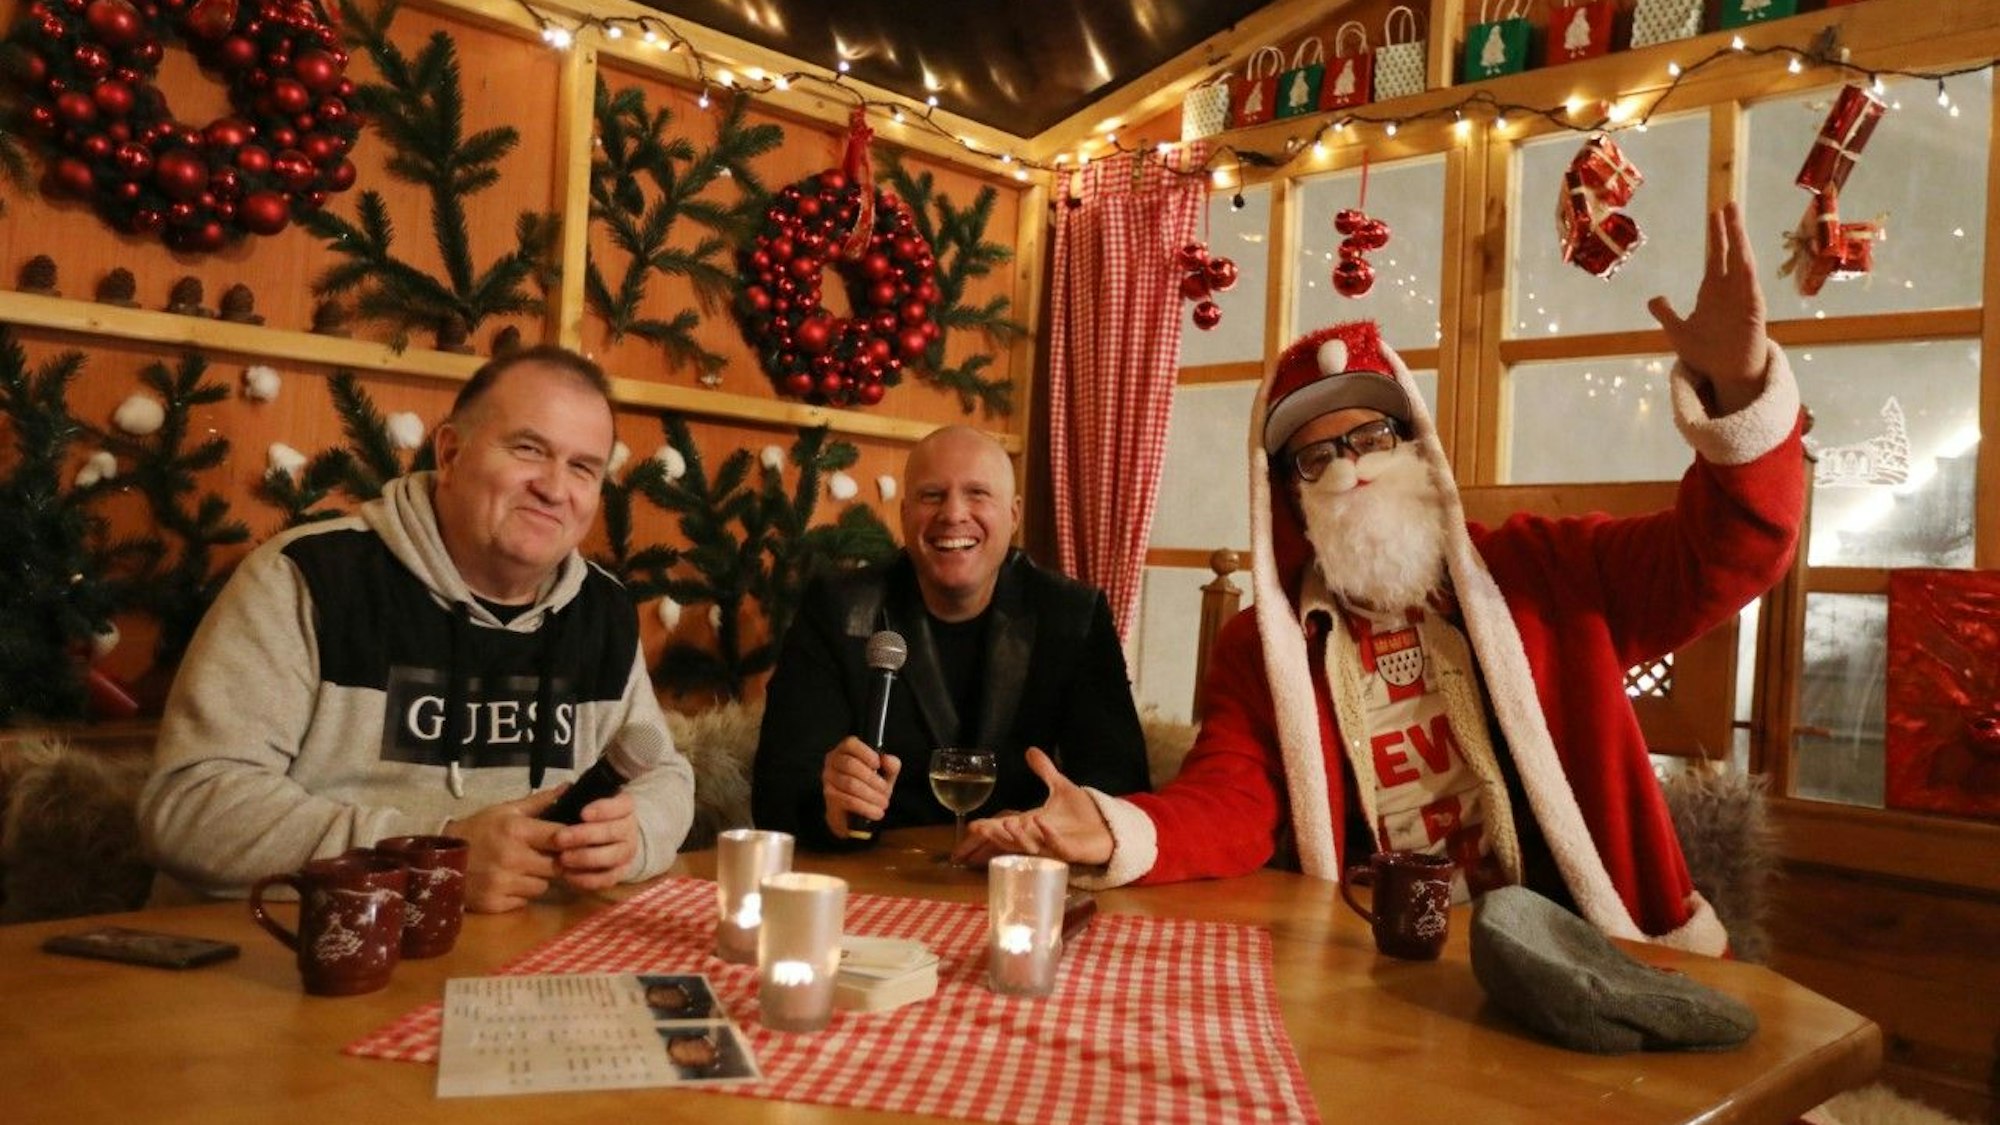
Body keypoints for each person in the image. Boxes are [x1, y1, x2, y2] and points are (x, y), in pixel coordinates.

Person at [958, 204, 1803, 956]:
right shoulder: (1264, 648)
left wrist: (1737, 391)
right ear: (1290, 498)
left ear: (1415, 446)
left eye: (1369, 437)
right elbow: (1230, 799)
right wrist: (1114, 825)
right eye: (1317, 456)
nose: (1349, 469)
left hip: (1598, 954)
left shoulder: (1549, 568)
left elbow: (1725, 554)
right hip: (1383, 963)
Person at [139, 346, 695, 913]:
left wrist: (632, 837)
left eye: (583, 468)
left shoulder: (600, 608)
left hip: (516, 962)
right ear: (451, 453)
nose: (555, 488)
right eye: (529, 449)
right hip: (296, 960)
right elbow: (192, 809)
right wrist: (433, 857)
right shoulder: (307, 579)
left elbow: (665, 775)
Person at [752, 424, 1151, 850]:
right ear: (904, 514)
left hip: (1022, 868)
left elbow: (1122, 786)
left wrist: (1036, 828)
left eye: (977, 493)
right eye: (931, 495)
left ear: (1014, 515)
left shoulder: (1072, 614)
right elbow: (777, 792)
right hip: (875, 875)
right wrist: (829, 811)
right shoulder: (835, 609)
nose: (954, 514)